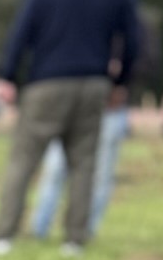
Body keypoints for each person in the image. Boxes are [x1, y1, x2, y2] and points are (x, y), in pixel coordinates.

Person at [0, 0, 140, 256]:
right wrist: (120, 83)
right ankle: (74, 240)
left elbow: (20, 34)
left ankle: (2, 236)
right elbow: (134, 41)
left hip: (47, 83)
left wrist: (7, 76)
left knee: (23, 161)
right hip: (94, 84)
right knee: (84, 164)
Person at [29, 86, 130, 241]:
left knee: (100, 177)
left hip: (108, 110)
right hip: (67, 108)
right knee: (54, 172)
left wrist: (121, 85)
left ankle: (83, 232)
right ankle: (39, 229)